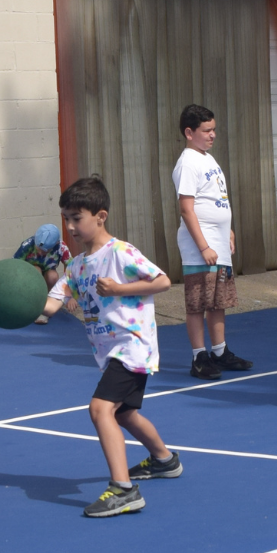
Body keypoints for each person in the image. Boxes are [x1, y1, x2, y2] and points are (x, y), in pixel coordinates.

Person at [49, 176, 180, 519]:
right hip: (109, 353)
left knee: (100, 409)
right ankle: (164, 460)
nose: (70, 226)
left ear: (100, 216)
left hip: (132, 346)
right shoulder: (77, 266)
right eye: (66, 218)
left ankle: (123, 490)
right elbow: (50, 303)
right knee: (123, 413)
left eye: (76, 218)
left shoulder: (120, 253)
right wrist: (11, 295)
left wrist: (119, 290)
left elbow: (162, 281)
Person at [173, 105, 252, 379]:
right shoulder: (188, 162)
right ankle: (199, 357)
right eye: (206, 130)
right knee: (197, 303)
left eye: (214, 129)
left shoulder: (209, 159)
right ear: (189, 132)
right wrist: (203, 246)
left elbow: (217, 200)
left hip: (218, 245)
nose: (212, 135)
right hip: (200, 249)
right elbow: (187, 208)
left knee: (217, 302)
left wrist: (227, 231)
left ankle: (220, 351)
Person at [13, 223, 68, 325]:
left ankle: (44, 306)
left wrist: (72, 295)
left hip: (47, 280)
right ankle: (33, 304)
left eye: (45, 251)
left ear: (55, 244)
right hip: (30, 279)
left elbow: (72, 269)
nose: (40, 253)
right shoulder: (27, 245)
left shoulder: (61, 247)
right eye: (38, 249)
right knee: (36, 269)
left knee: (53, 275)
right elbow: (14, 266)